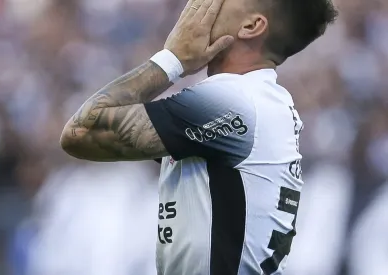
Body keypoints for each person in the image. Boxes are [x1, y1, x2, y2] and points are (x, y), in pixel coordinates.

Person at [60, 0, 338, 274]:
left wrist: (172, 59)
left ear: (251, 26)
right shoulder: (260, 100)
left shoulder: (234, 101)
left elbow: (82, 132)